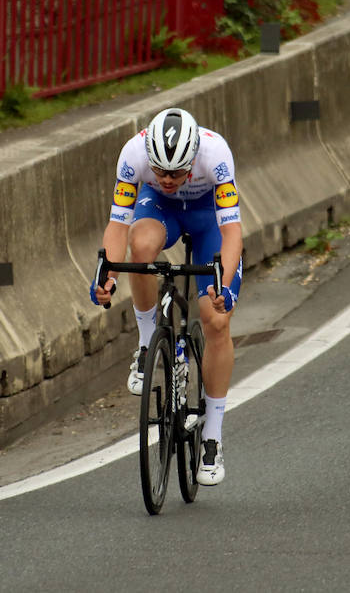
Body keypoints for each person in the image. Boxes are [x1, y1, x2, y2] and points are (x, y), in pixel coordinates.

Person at [89, 107, 243, 485]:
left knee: (216, 320)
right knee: (140, 248)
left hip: (209, 220)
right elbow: (117, 224)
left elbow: (232, 231)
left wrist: (221, 284)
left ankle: (212, 437)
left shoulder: (216, 154)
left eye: (177, 171)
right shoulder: (133, 153)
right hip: (161, 211)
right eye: (160, 171)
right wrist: (105, 274)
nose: (169, 178)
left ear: (193, 159)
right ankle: (146, 344)